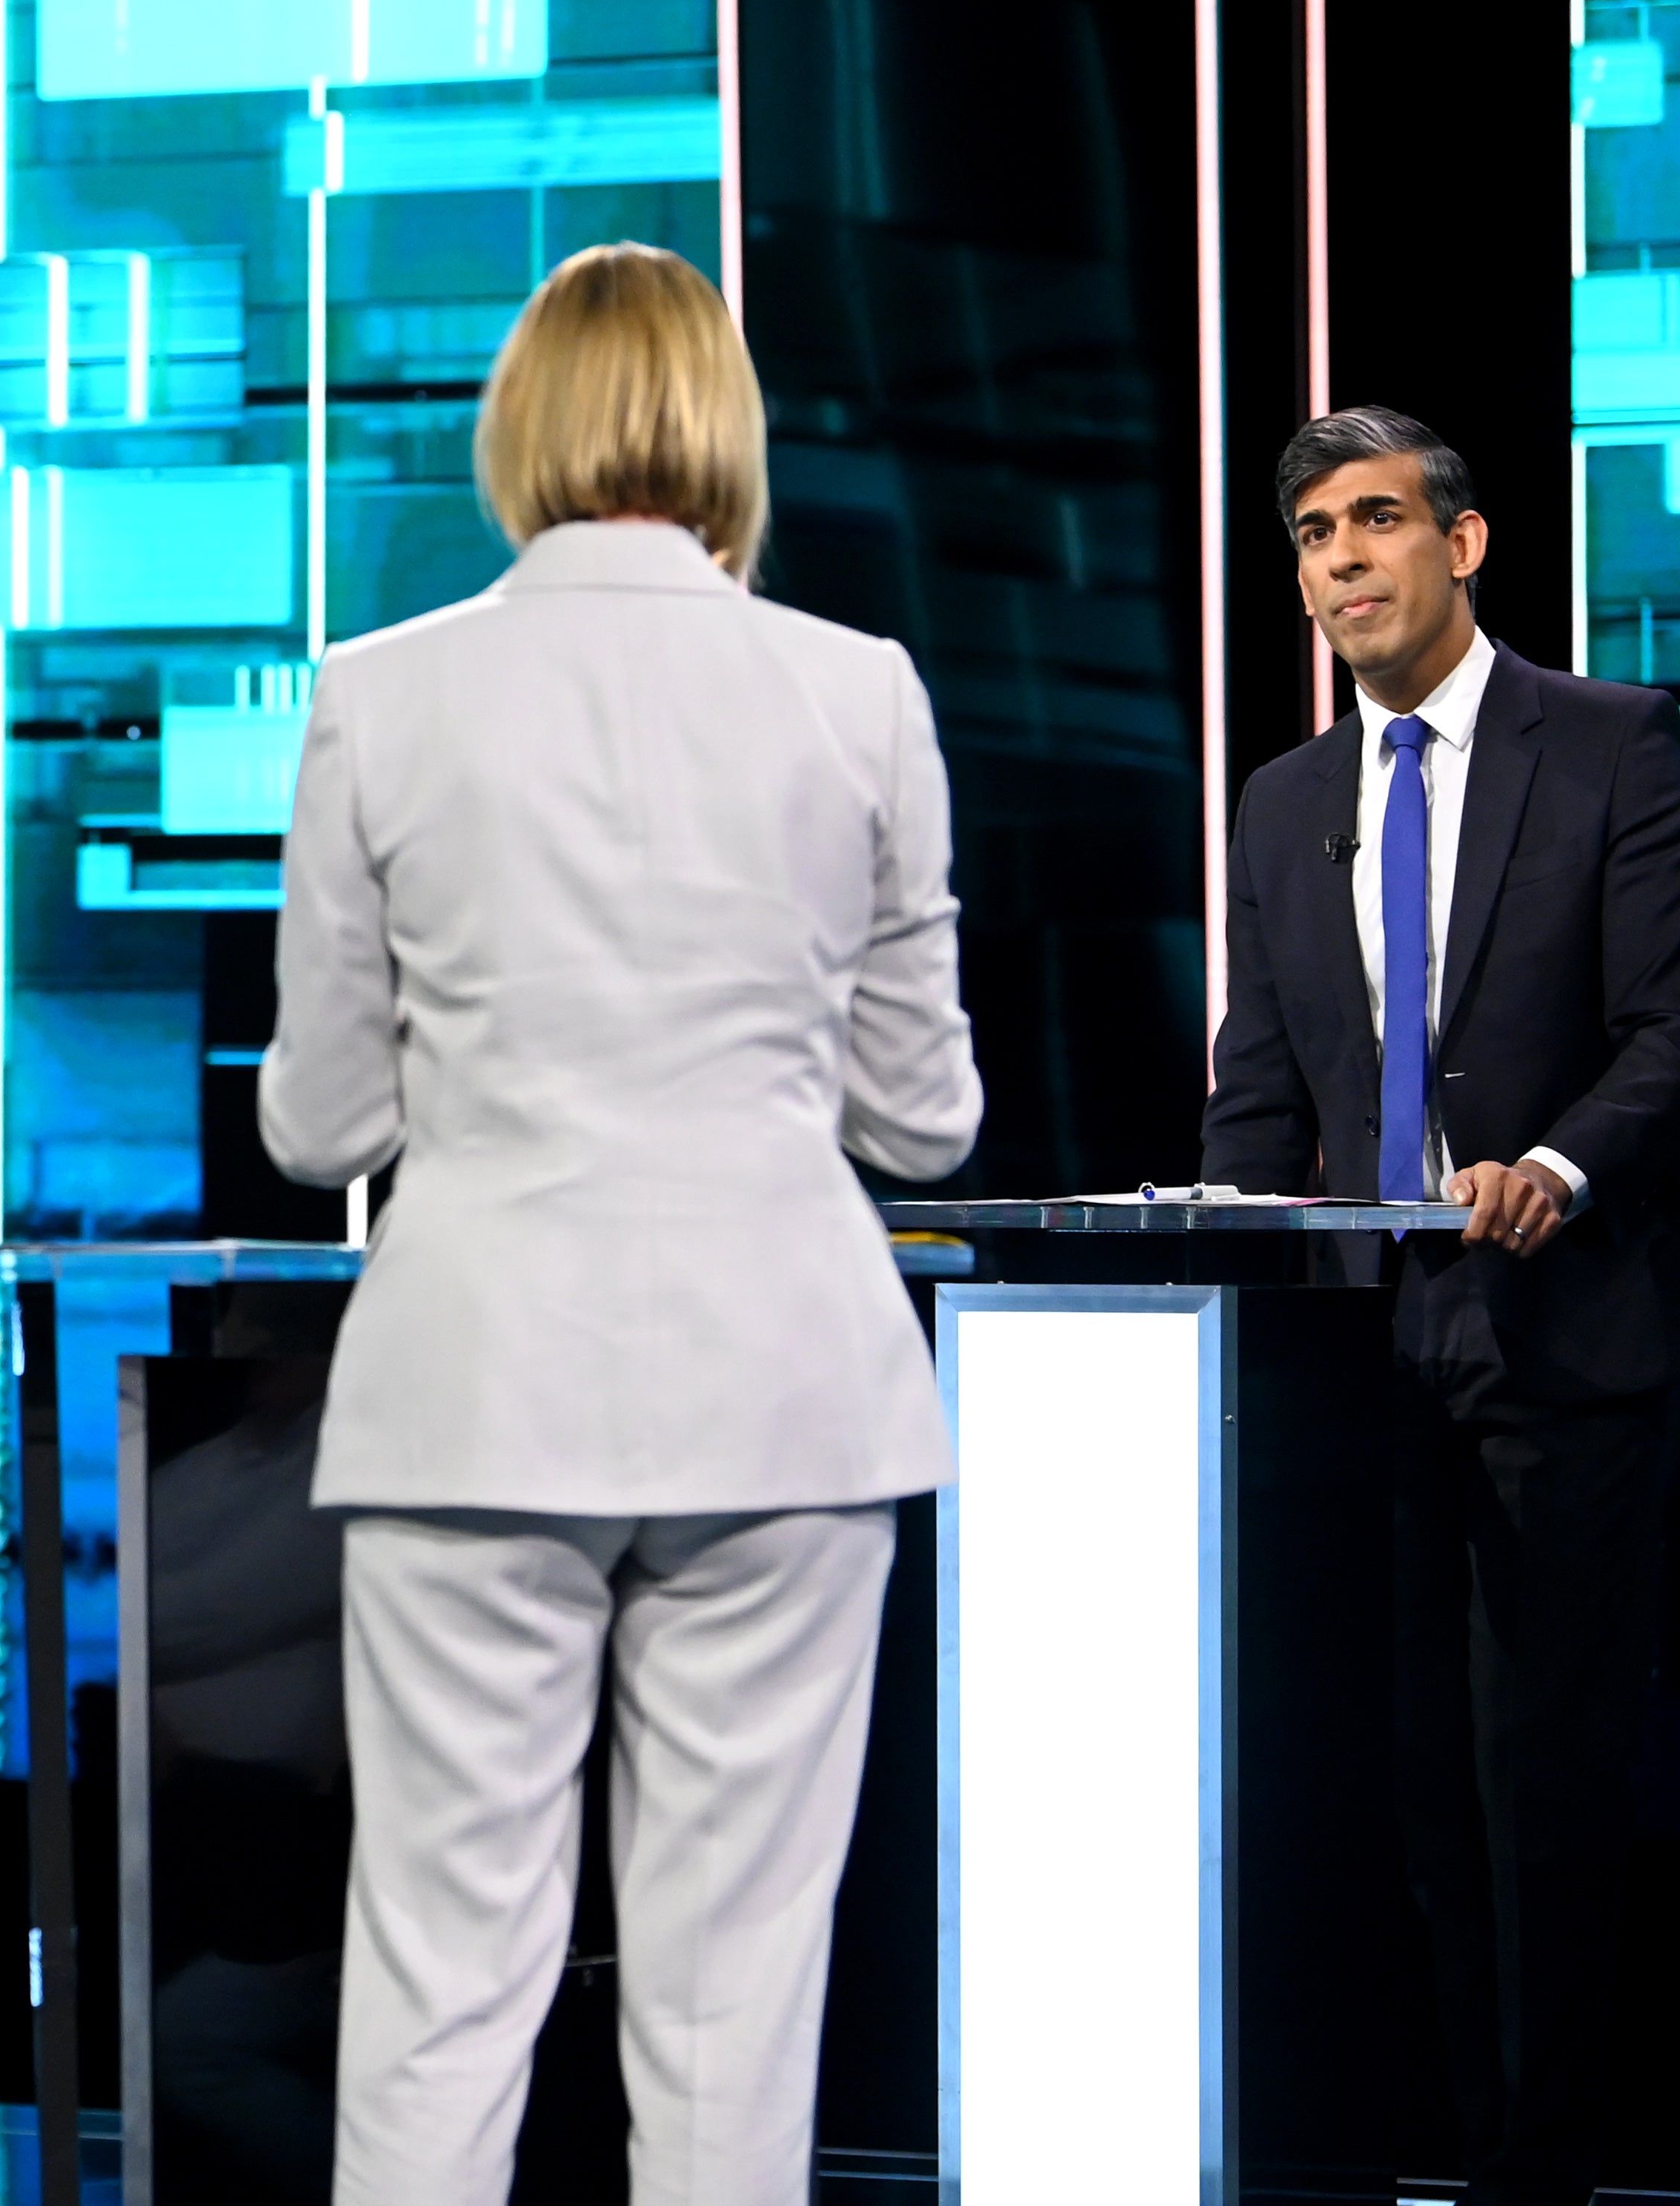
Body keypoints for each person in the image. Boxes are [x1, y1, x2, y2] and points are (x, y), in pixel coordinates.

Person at [259, 242, 980, 2206]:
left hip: (474, 1384)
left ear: (520, 431)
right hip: (785, 1394)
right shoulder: (860, 691)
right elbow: (924, 1123)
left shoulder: (377, 695)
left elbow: (320, 1113)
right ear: (725, 432)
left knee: (437, 1970)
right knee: (737, 1993)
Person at [1200, 405, 1680, 2206]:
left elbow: (1676, 1031)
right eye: (1311, 539)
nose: (1340, 563)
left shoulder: (1605, 743)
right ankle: (1451, 2151)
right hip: (1356, 1367)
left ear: (1465, 541)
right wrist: (1220, 1231)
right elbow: (1258, 1091)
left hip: (1560, 1340)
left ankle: (1542, 2171)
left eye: (1372, 524)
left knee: (1541, 1800)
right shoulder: (1285, 802)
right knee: (1416, 1799)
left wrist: (1557, 1170)